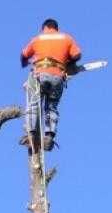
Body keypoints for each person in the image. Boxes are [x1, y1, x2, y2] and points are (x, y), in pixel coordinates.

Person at [20, 19, 81, 151]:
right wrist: (68, 63)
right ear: (56, 28)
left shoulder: (38, 39)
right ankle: (49, 137)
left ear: (44, 28)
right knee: (51, 107)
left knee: (33, 105)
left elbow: (24, 54)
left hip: (39, 75)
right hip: (58, 76)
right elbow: (77, 55)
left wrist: (25, 63)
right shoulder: (66, 38)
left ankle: (31, 135)